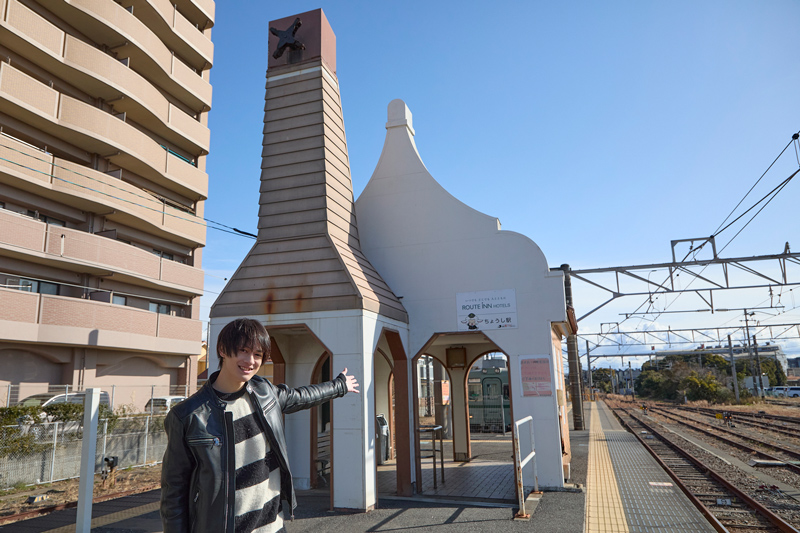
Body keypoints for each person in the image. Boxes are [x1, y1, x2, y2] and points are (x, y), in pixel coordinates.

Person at [160, 318, 359, 533]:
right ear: (222, 350)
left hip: (272, 526)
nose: (250, 361)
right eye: (243, 350)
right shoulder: (188, 416)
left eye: (257, 354)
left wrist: (340, 386)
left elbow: (301, 396)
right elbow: (174, 493)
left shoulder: (265, 393)